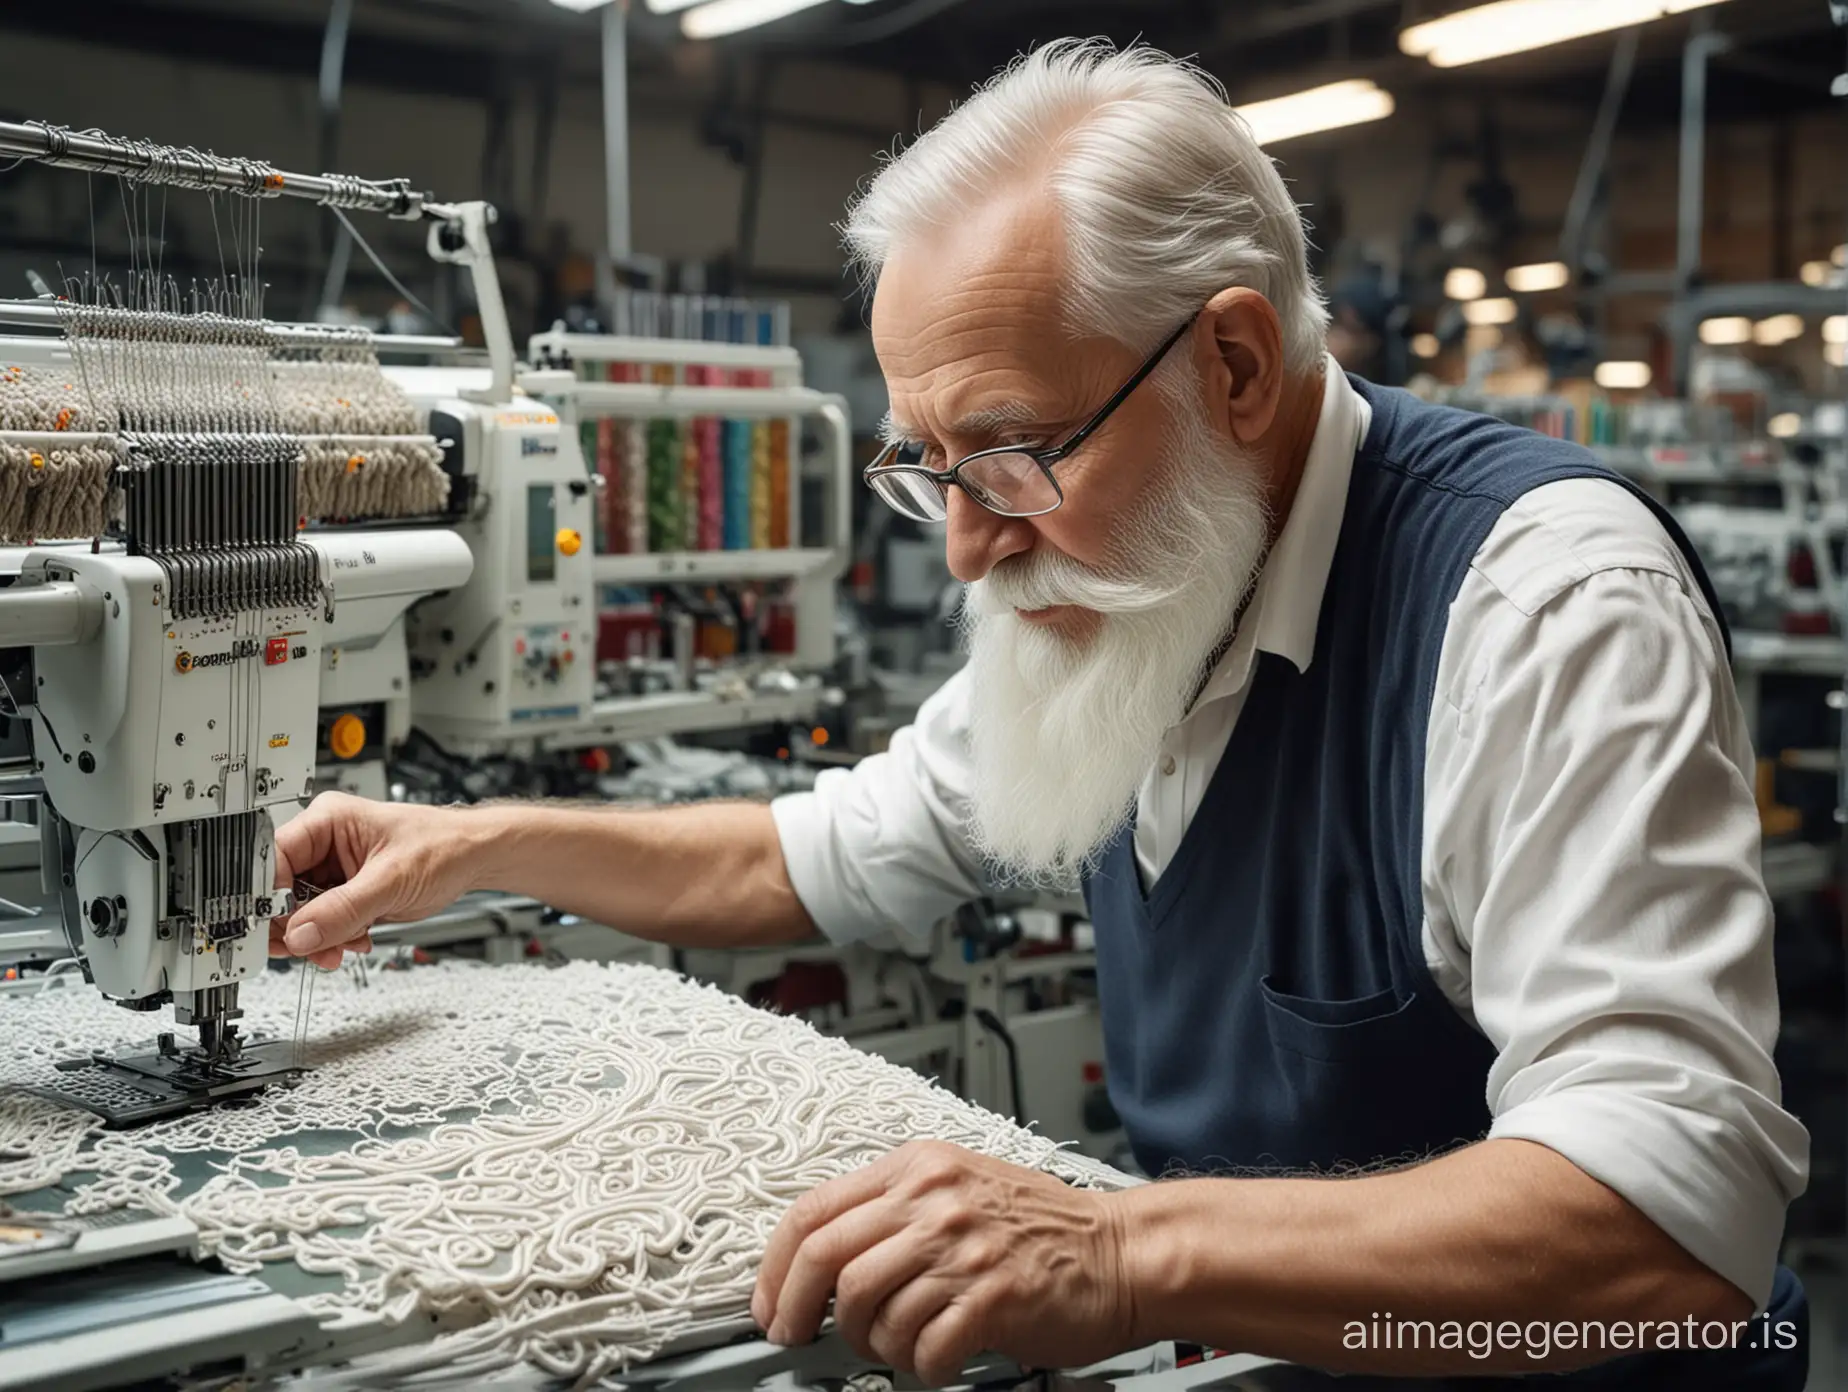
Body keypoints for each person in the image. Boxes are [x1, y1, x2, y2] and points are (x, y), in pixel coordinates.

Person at [271, 41, 1809, 1388]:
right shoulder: (1141, 583)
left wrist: (1129, 1257)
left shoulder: (1538, 601)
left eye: (1010, 451)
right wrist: (473, 845)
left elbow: (1670, 1230)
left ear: (1233, 363)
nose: (964, 543)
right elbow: (815, 857)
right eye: (926, 464)